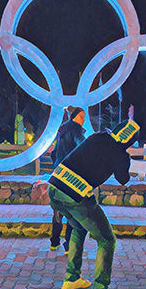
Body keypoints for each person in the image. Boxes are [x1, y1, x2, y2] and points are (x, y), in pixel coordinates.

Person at [48, 107, 139, 289]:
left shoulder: (98, 137)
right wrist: (126, 160)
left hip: (54, 186)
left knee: (79, 228)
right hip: (75, 194)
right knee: (106, 239)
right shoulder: (120, 154)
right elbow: (123, 179)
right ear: (131, 141)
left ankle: (71, 278)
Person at [49, 107, 86, 254]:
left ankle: (54, 242)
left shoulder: (62, 130)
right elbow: (84, 147)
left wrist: (57, 166)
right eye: (82, 117)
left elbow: (54, 151)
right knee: (72, 209)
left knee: (58, 209)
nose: (83, 120)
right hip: (71, 175)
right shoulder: (76, 131)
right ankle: (68, 245)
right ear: (75, 117)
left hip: (59, 174)